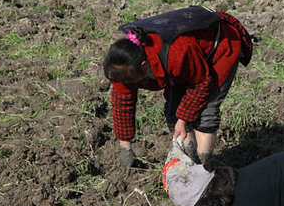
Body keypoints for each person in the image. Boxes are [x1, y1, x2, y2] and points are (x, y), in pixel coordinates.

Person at [103, 10, 252, 167]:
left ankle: (205, 163)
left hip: (220, 46)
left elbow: (201, 84)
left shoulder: (177, 51)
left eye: (129, 81)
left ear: (144, 66)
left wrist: (183, 119)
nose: (125, 84)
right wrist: (125, 145)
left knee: (206, 111)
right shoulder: (123, 65)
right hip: (188, 64)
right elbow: (122, 102)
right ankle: (191, 162)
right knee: (174, 114)